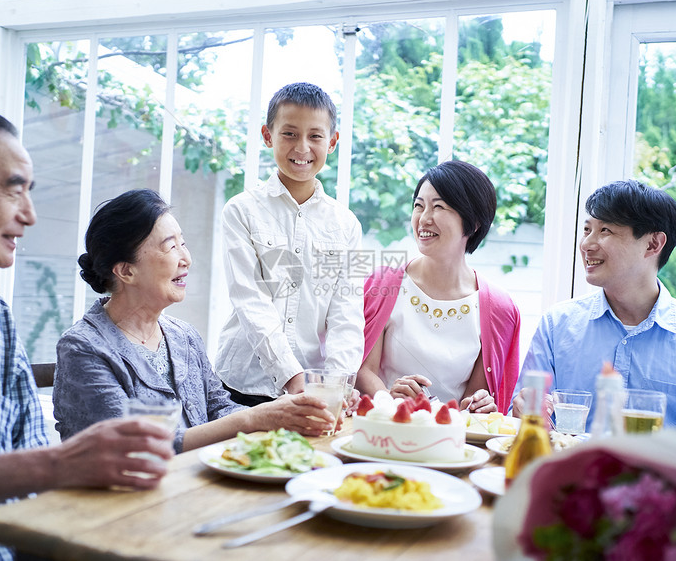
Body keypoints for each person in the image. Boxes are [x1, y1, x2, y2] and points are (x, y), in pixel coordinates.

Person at [0, 105, 174, 560]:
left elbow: (30, 454)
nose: (29, 215)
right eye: (13, 192)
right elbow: (41, 464)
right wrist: (60, 463)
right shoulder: (87, 342)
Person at [53, 189, 339, 451]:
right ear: (126, 271)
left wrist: (289, 412)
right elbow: (129, 447)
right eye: (170, 247)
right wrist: (253, 418)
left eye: (183, 243)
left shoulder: (183, 336)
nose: (186, 258)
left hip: (194, 487)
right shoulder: (83, 348)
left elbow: (218, 409)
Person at [515, 180, 676, 465]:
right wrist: (525, 411)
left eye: (605, 231)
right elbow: (516, 423)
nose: (587, 244)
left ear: (653, 243)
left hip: (659, 501)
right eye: (587, 229)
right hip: (568, 493)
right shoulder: (557, 326)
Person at [215, 82, 364, 406]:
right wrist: (293, 378)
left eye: (315, 136)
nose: (302, 147)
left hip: (316, 389)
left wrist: (337, 385)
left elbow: (346, 313)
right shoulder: (241, 211)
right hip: (244, 385)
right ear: (268, 136)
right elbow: (250, 300)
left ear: (332, 141)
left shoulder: (348, 225)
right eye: (289, 134)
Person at [357, 160, 521, 413]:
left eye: (439, 207)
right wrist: (389, 399)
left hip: (451, 441)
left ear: (474, 222)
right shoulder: (383, 283)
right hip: (385, 429)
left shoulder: (499, 308)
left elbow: (474, 403)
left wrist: (479, 405)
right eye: (418, 206)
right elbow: (362, 369)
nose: (423, 219)